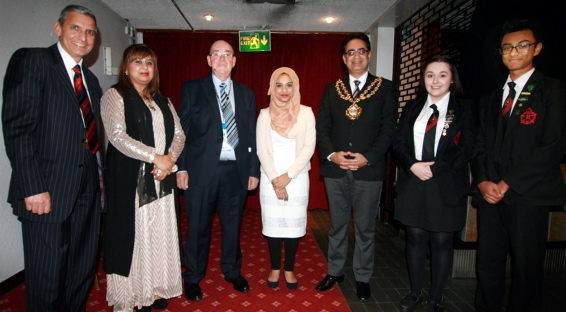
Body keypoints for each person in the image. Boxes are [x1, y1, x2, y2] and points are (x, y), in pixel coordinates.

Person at [2, 5, 104, 311]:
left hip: (87, 181)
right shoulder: (33, 61)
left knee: (81, 265)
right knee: (47, 272)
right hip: (46, 186)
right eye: (76, 28)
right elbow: (18, 128)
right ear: (58, 28)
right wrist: (32, 186)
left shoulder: (90, 80)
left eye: (90, 32)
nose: (83, 37)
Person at [471, 17, 566, 312]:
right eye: (507, 48)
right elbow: (479, 145)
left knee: (527, 267)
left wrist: (507, 182)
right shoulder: (489, 99)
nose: (513, 52)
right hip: (490, 195)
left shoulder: (553, 90)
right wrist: (484, 180)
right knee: (488, 262)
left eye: (522, 45)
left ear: (536, 49)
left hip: (528, 194)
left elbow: (552, 145)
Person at [101, 44, 185, 311]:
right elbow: (118, 137)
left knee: (159, 237)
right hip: (131, 182)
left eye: (149, 63)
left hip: (162, 178)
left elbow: (180, 134)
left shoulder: (162, 99)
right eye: (138, 62)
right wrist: (154, 157)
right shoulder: (115, 96)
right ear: (126, 67)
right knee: (136, 239)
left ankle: (156, 289)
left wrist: (168, 160)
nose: (145, 68)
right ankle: (135, 295)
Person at [315, 33, 397, 301]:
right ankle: (335, 271)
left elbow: (388, 130)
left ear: (369, 55)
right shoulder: (332, 88)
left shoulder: (385, 88)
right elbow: (322, 127)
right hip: (336, 170)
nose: (356, 56)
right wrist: (331, 155)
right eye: (351, 52)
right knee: (336, 226)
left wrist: (369, 157)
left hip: (368, 170)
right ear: (344, 58)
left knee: (365, 228)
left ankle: (362, 276)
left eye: (361, 51)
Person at [176, 40, 260, 301]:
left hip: (236, 171)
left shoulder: (246, 94)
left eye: (227, 55)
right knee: (198, 226)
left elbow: (250, 136)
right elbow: (182, 133)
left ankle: (232, 270)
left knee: (233, 225)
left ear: (234, 61)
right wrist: (182, 167)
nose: (222, 59)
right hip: (201, 171)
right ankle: (192, 276)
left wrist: (253, 170)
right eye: (217, 54)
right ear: (208, 60)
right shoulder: (192, 89)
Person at [393, 55, 476, 312]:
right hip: (414, 182)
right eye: (430, 75)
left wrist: (436, 167)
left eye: (442, 74)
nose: (435, 80)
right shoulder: (412, 107)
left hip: (446, 183)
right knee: (415, 239)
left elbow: (467, 146)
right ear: (424, 79)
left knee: (441, 242)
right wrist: (412, 165)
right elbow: (399, 143)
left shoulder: (465, 108)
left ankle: (436, 298)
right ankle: (415, 292)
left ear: (452, 79)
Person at [256, 67, 316, 290]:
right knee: (273, 227)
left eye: (289, 85)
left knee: (292, 228)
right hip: (270, 177)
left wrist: (289, 176)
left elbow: (309, 147)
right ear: (272, 87)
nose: (284, 90)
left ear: (295, 87)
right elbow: (262, 150)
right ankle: (274, 268)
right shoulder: (264, 115)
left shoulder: (306, 113)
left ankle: (289, 268)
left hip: (297, 177)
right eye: (279, 85)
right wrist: (275, 179)